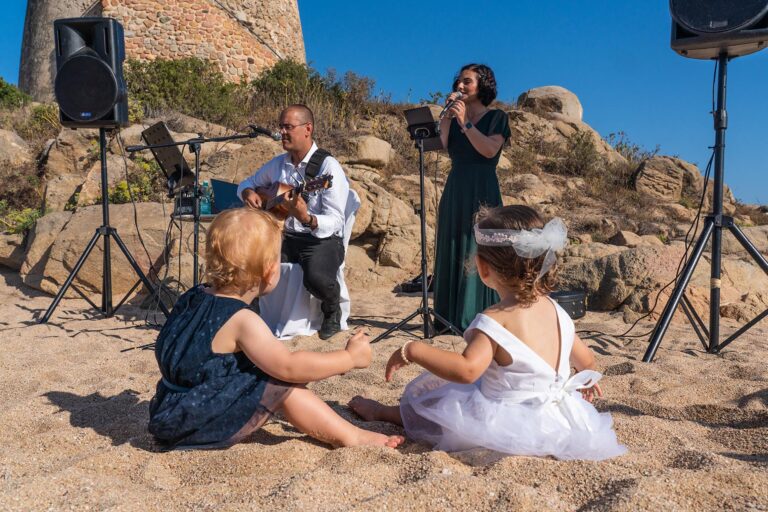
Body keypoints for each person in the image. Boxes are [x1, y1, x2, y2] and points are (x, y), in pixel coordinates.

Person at [350, 205, 626, 460]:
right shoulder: (558, 311)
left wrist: (413, 350)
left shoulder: (494, 321)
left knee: (445, 403)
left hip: (508, 424)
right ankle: (386, 412)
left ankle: (385, 413)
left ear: (484, 269)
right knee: (454, 396)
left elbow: (467, 370)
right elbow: (587, 361)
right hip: (562, 421)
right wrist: (586, 381)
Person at [148, 207, 404, 450]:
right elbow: (289, 366)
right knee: (280, 383)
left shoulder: (194, 296)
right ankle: (352, 436)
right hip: (195, 419)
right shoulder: (242, 320)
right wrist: (349, 358)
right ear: (270, 272)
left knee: (263, 372)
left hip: (169, 407)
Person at [237, 104, 353, 340]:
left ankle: (332, 310)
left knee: (316, 278)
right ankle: (253, 308)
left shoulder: (328, 168)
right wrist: (248, 193)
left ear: (307, 129)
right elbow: (247, 182)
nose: (282, 132)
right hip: (286, 236)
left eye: (288, 127)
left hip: (321, 240)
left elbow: (336, 221)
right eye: (280, 126)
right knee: (248, 259)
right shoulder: (279, 164)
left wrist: (307, 218)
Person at [434, 63, 512, 331]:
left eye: (467, 82)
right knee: (452, 243)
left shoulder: (497, 117)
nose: (460, 86)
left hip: (483, 186)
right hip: (456, 186)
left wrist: (465, 123)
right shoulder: (454, 119)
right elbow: (441, 146)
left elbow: (489, 150)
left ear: (483, 86)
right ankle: (447, 318)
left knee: (479, 246)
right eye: (458, 81)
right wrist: (446, 118)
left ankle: (475, 316)